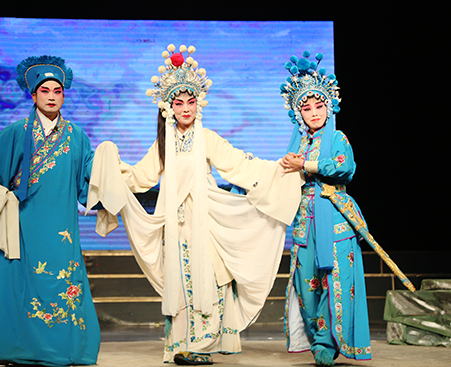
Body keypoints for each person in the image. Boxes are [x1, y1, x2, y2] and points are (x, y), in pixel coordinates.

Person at [86, 44, 304, 365]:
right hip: (175, 225)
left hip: (206, 220)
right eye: (179, 102)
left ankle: (202, 345)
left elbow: (241, 166)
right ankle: (181, 345)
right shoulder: (163, 143)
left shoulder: (208, 138)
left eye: (191, 101)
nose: (185, 108)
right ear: (168, 107)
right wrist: (111, 167)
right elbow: (141, 177)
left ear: (198, 103)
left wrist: (279, 168)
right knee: (180, 280)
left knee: (211, 277)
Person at [0, 55, 100, 366]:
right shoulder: (17, 132)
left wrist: (110, 174)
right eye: (45, 91)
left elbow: (90, 177)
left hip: (61, 227)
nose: (51, 96)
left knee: (60, 283)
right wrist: (0, 195)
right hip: (24, 222)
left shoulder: (77, 137)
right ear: (33, 95)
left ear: (64, 96)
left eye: (57, 91)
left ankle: (64, 349)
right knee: (20, 283)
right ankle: (16, 348)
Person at [278, 51, 371, 366]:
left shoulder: (338, 137)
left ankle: (328, 344)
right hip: (305, 221)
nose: (314, 113)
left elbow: (344, 167)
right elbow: (283, 178)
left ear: (328, 107)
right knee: (307, 285)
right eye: (306, 108)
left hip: (333, 218)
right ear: (298, 113)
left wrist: (305, 165)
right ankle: (317, 340)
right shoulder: (298, 145)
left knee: (335, 282)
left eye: (319, 106)